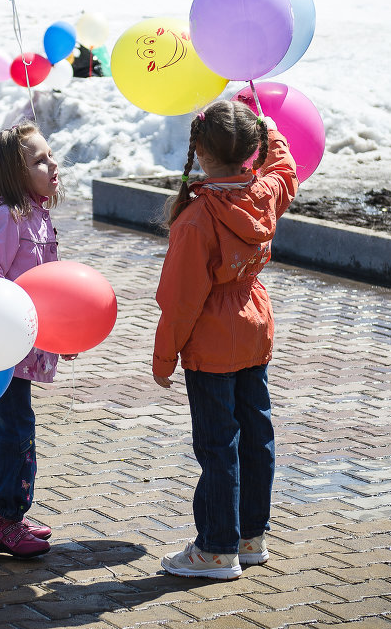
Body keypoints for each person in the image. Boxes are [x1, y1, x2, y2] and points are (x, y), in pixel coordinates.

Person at [154, 99, 298, 580]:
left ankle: (216, 549)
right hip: (253, 330)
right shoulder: (264, 194)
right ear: (251, 151)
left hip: (211, 345)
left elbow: (179, 300)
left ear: (199, 152)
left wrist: (164, 356)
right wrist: (270, 126)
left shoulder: (196, 220)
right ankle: (249, 537)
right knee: (257, 437)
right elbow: (285, 168)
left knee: (219, 446)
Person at [0, 122, 74, 558]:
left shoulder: (34, 212)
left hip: (19, 344)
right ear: (13, 175)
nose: (52, 164)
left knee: (6, 427)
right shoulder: (10, 218)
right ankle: (5, 519)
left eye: (50, 154)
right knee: (15, 430)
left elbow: (50, 285)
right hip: (2, 344)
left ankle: (1, 515)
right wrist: (6, 318)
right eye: (39, 160)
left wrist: (64, 327)